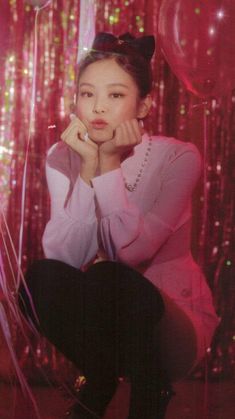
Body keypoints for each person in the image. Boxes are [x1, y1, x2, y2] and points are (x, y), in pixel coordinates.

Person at [19, 32, 219, 419]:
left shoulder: (178, 157)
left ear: (143, 105)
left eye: (115, 95)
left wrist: (109, 164)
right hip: (105, 319)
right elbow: (63, 257)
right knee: (40, 279)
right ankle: (100, 375)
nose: (97, 107)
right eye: (87, 93)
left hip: (171, 329)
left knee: (110, 276)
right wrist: (88, 170)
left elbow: (131, 255)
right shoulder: (63, 155)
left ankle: (150, 392)